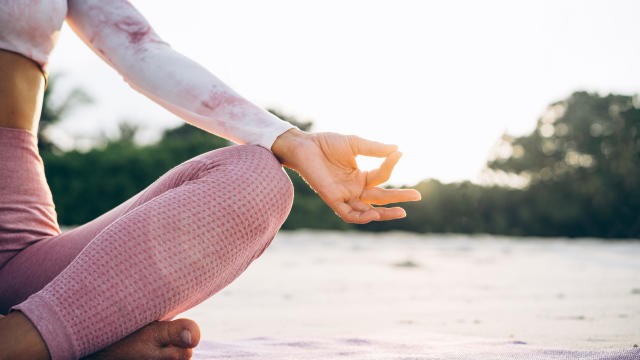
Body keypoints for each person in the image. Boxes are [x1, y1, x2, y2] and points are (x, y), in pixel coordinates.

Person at [0, 1, 421, 359]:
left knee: (257, 179)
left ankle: (32, 337)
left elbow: (139, 47)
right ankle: (66, 342)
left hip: (18, 256)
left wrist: (290, 141)